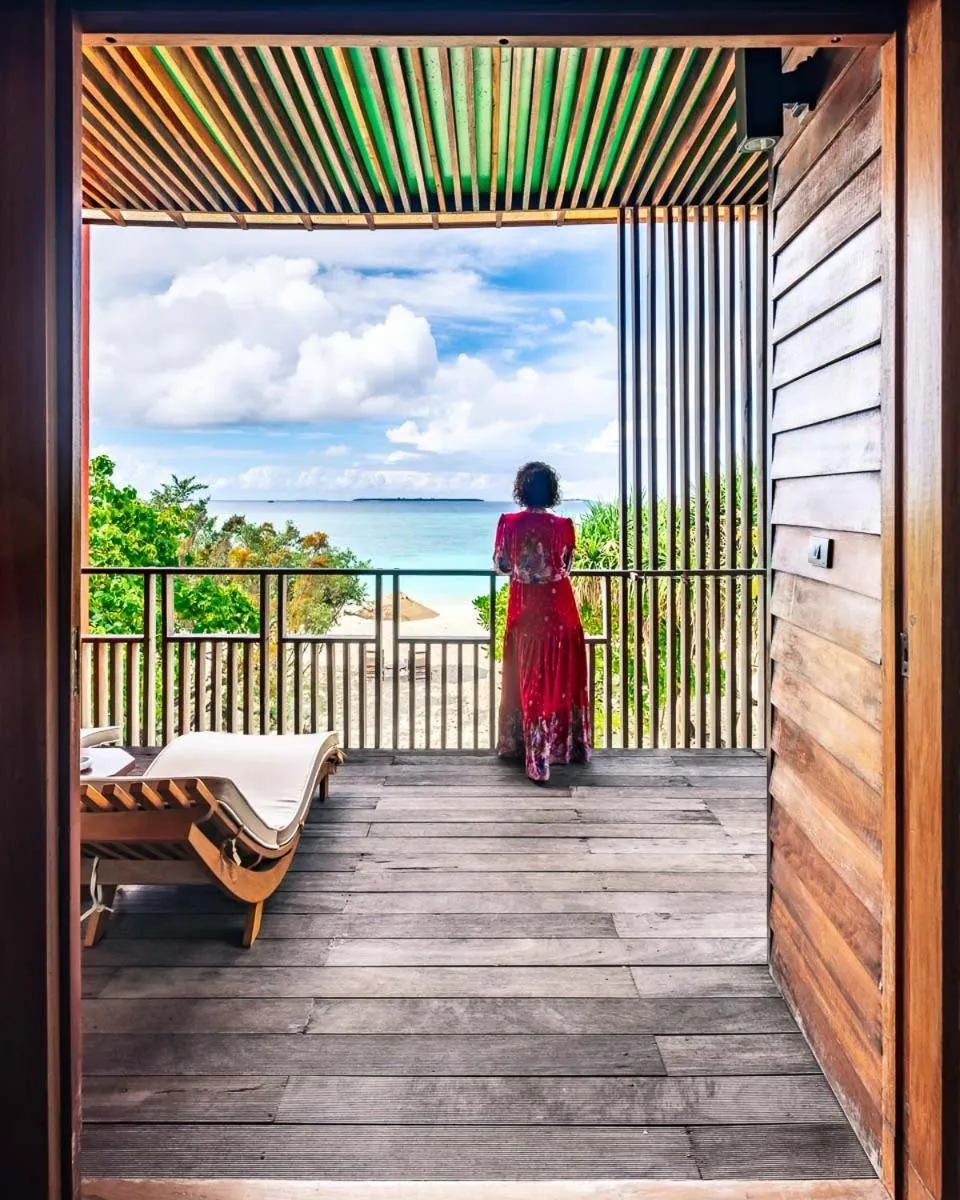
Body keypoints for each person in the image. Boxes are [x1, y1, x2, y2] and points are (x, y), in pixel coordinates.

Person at [494, 461, 592, 783]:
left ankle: (526, 751)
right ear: (552, 491)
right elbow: (565, 567)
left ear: (521, 490)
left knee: (528, 680)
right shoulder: (564, 526)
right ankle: (566, 748)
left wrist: (525, 568)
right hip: (560, 610)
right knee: (561, 681)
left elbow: (502, 565)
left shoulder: (508, 523)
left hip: (525, 611)